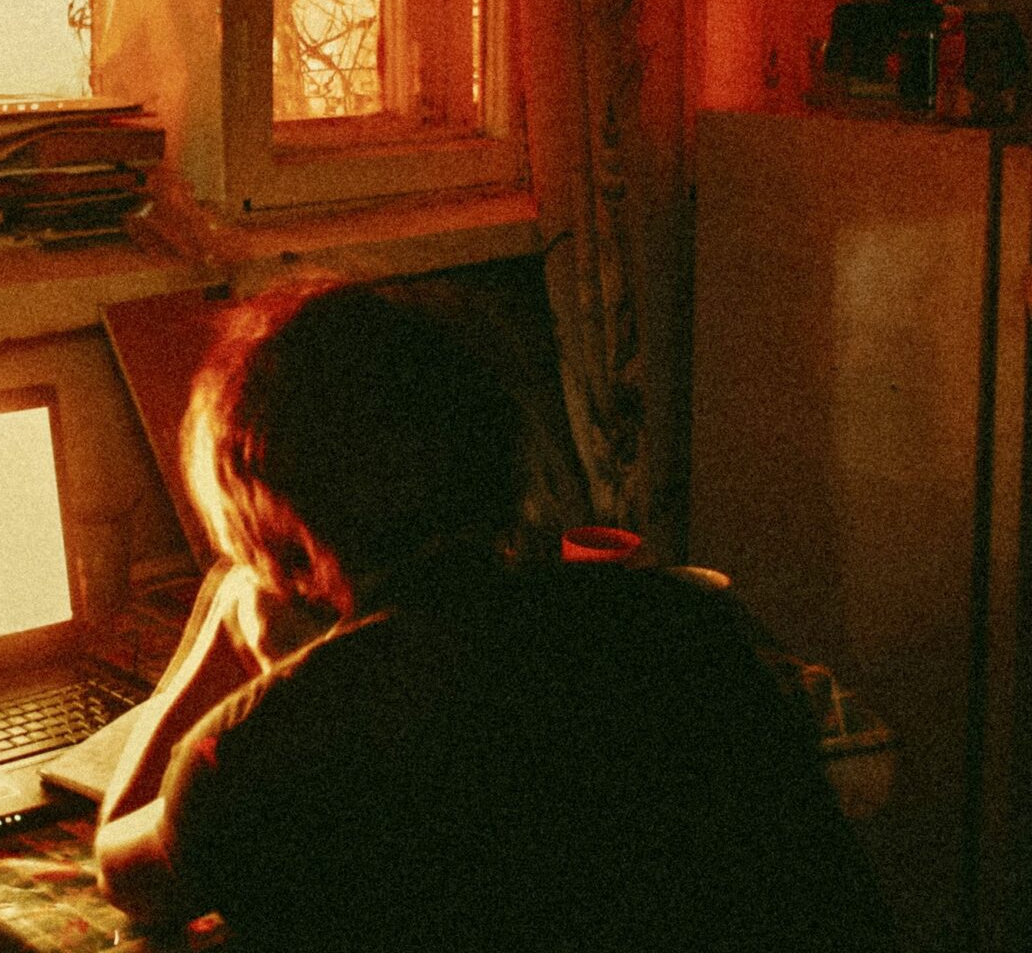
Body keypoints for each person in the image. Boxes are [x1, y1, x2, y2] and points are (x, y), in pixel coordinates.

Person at [94, 276, 894, 952]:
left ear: (285, 545)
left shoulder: (259, 751)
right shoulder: (686, 624)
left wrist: (225, 625)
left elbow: (120, 867)